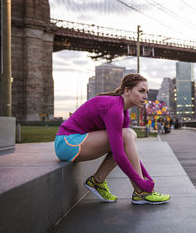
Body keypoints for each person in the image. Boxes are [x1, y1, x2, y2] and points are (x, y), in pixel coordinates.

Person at [54, 74, 170, 205]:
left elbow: (127, 152)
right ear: (127, 91)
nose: (146, 96)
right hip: (67, 143)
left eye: (147, 92)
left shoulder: (123, 112)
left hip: (78, 142)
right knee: (127, 134)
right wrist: (142, 183)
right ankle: (141, 193)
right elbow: (119, 155)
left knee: (126, 136)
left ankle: (98, 181)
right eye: (141, 91)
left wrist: (147, 179)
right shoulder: (114, 107)